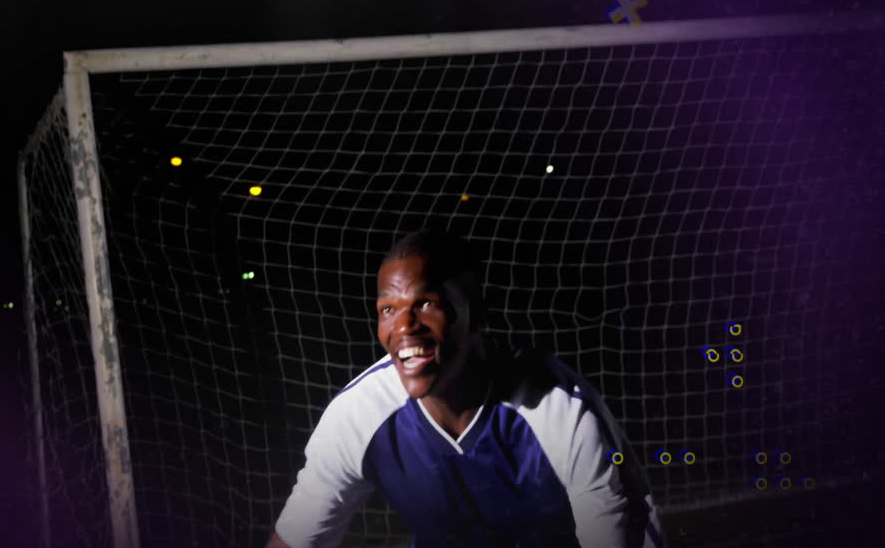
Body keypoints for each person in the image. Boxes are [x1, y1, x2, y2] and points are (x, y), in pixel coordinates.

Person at [266, 229, 667, 548]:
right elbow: (300, 536)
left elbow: (612, 532)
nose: (404, 326)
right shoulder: (357, 417)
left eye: (426, 303)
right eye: (388, 309)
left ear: (477, 313)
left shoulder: (558, 408)